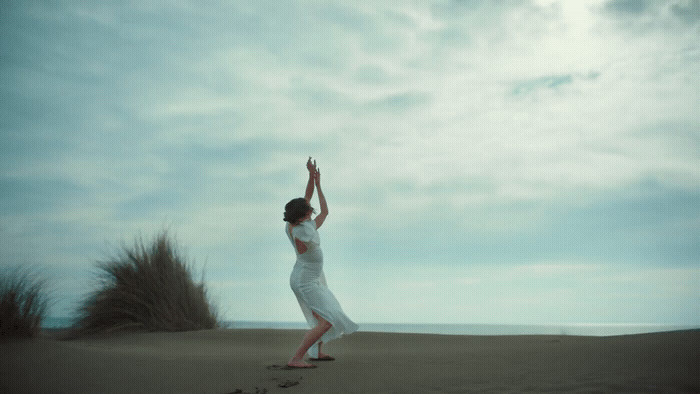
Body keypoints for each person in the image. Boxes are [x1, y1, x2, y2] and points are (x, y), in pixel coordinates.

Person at [283, 157, 358, 368]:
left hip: (310, 276)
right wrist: (317, 184)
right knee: (326, 321)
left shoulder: (298, 223)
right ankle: (296, 358)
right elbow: (321, 214)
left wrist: (314, 181)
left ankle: (316, 351)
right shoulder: (303, 230)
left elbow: (313, 204)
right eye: (308, 211)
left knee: (327, 313)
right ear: (303, 216)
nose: (311, 210)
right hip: (305, 280)